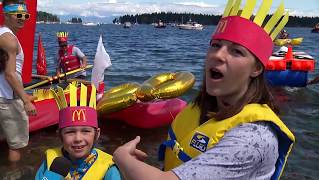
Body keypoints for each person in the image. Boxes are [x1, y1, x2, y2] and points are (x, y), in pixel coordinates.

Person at [112, 1, 295, 180]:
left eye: (236, 51)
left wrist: (122, 157)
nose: (218, 55)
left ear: (256, 69)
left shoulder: (253, 138)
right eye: (215, 45)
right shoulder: (200, 109)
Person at [35, 83, 121, 179]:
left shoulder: (108, 168)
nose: (78, 139)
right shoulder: (51, 162)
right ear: (60, 135)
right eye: (70, 132)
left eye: (85, 131)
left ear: (97, 134)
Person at [0, 0, 37, 163]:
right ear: (6, 15)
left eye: (25, 15)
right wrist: (26, 100)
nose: (22, 18)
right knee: (17, 145)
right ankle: (14, 174)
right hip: (7, 99)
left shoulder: (2, 34)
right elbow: (10, 74)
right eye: (18, 15)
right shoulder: (10, 39)